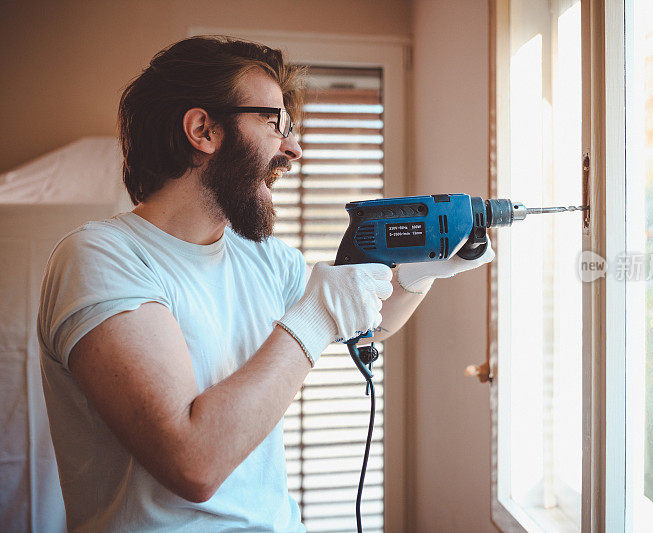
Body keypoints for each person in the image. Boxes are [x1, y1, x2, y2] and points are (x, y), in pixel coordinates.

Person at [37, 35, 494, 532]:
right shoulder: (102, 257)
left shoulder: (262, 258)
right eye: (275, 123)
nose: (294, 148)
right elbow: (193, 463)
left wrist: (420, 273)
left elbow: (366, 324)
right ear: (203, 130)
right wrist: (318, 313)